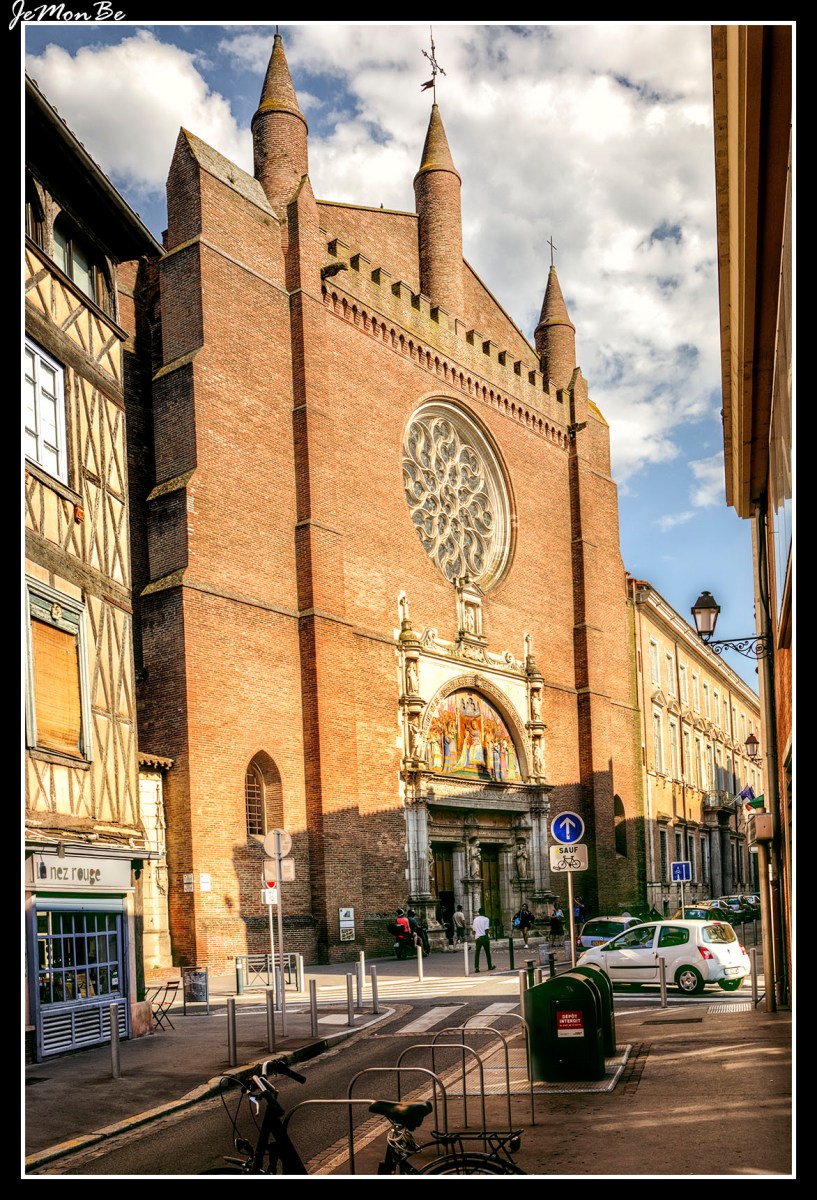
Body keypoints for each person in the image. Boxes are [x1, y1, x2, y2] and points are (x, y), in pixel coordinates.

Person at [472, 907, 496, 972]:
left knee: (477, 953)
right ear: (484, 912)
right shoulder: (486, 919)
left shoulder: (475, 919)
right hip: (484, 937)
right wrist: (487, 938)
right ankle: (489, 966)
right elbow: (486, 929)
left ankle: (477, 967)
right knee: (487, 953)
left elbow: (473, 930)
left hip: (478, 937)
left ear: (479, 912)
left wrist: (476, 935)